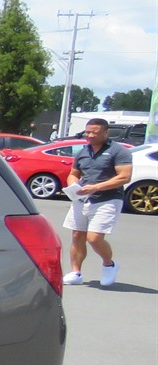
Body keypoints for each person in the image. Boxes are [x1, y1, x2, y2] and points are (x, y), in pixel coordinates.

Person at [62, 118, 132, 287]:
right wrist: (73, 185)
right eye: (88, 132)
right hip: (82, 198)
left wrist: (96, 187)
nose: (90, 135)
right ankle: (76, 272)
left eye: (95, 132)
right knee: (77, 235)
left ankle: (109, 265)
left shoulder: (118, 151)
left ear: (105, 133)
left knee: (94, 238)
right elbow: (74, 173)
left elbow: (124, 177)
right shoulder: (83, 151)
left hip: (108, 199)